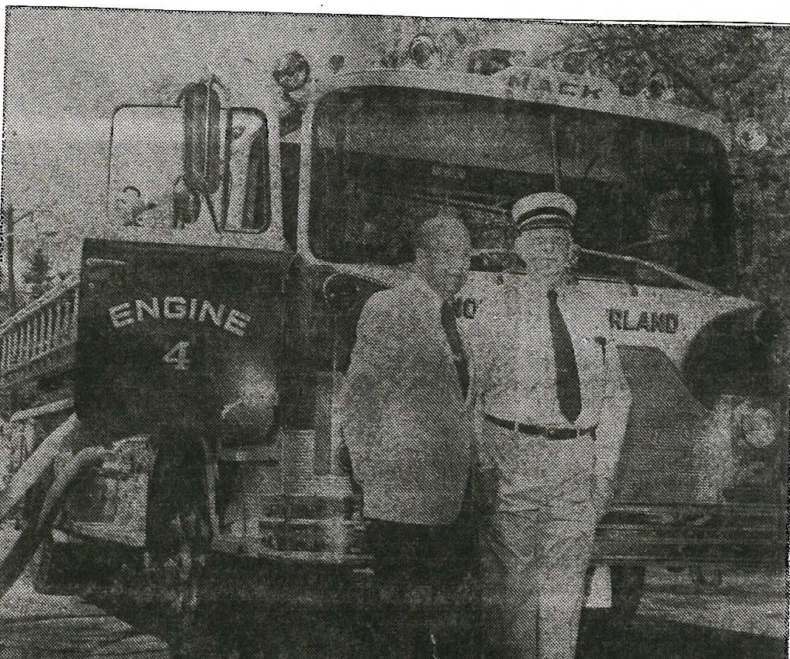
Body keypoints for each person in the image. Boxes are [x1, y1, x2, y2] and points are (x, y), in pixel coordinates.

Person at [476, 192, 632, 659]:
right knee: (514, 586)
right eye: (538, 242)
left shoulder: (593, 310)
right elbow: (473, 396)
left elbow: (615, 396)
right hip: (514, 455)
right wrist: (483, 465)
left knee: (566, 584)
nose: (548, 252)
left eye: (558, 243)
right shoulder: (494, 309)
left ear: (571, 252)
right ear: (520, 250)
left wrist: (603, 470)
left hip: (576, 460)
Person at [341, 211, 477, 659]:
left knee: (435, 610)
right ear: (421, 258)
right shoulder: (389, 308)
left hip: (448, 497)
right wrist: (371, 475)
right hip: (400, 497)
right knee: (401, 619)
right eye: (448, 254)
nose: (460, 266)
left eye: (465, 255)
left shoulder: (455, 318)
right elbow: (360, 396)